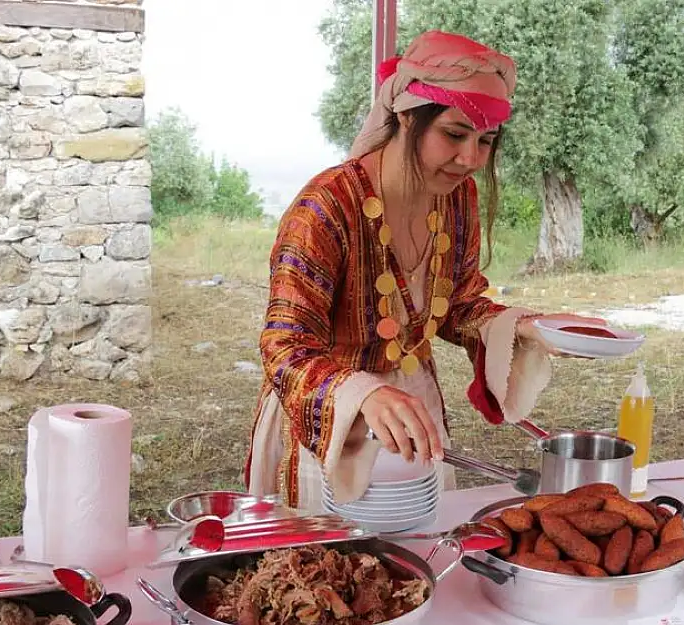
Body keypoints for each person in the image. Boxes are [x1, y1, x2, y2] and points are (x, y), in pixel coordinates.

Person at [244, 30, 605, 511]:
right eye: (454, 135)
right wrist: (364, 394)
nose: (470, 159)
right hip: (331, 423)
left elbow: (456, 304)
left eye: (486, 141)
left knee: (414, 568)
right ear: (406, 117)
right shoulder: (326, 208)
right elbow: (284, 346)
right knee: (325, 573)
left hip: (414, 411)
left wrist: (527, 326)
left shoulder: (457, 199)